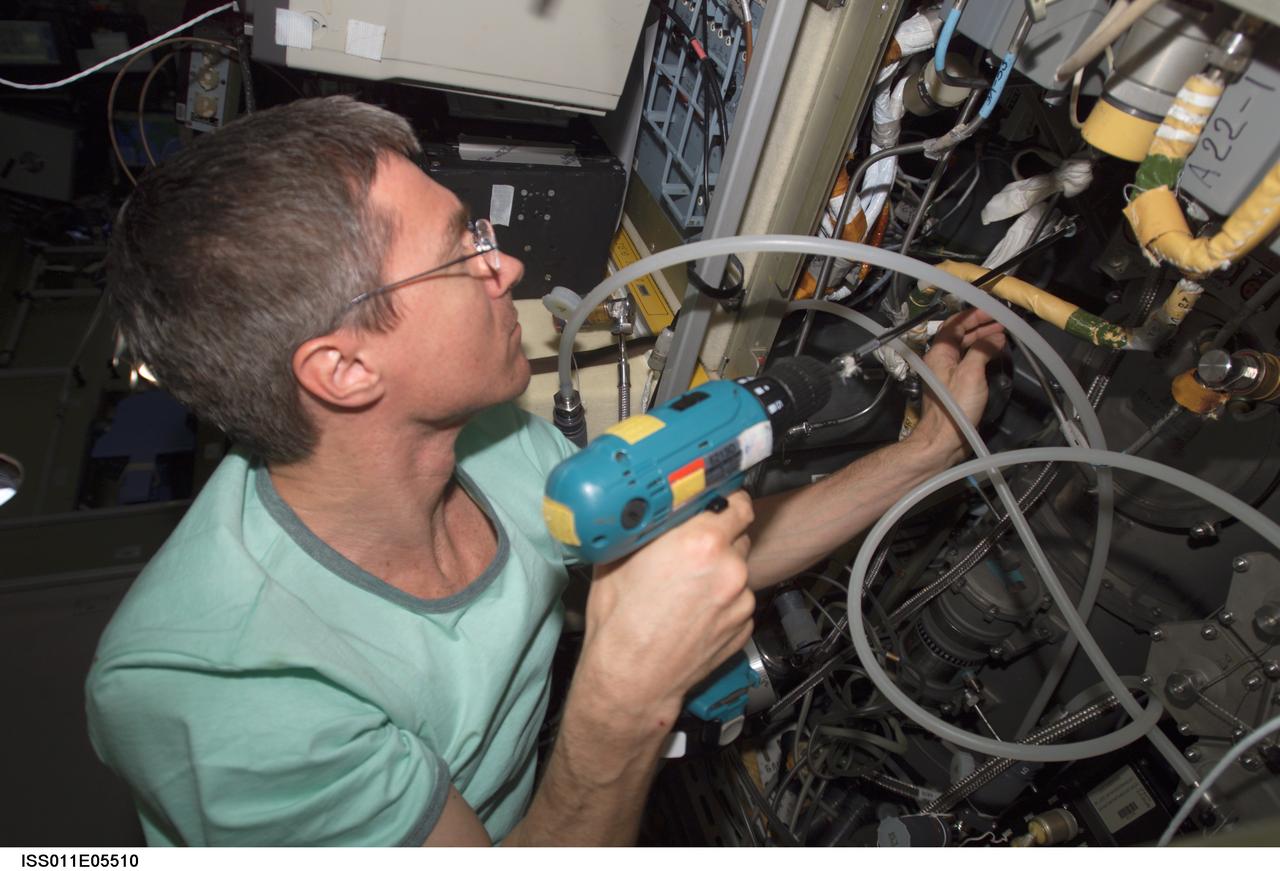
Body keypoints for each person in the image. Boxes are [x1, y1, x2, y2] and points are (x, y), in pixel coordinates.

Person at [86, 96, 1005, 846]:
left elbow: (706, 560)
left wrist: (924, 452)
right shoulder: (224, 693)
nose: (509, 262)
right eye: (464, 252)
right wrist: (625, 697)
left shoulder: (490, 440)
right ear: (346, 369)